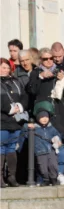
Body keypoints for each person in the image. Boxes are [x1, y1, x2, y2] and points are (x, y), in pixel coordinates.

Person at [1, 59, 25, 187]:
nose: (5, 70)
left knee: (11, 148)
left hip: (15, 121)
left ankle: (12, 176)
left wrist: (20, 106)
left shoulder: (16, 82)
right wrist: (8, 109)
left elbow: (24, 96)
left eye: (7, 67)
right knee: (1, 148)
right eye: (3, 67)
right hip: (2, 121)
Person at [25, 108, 63, 186]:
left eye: (46, 117)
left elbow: (57, 135)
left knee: (53, 165)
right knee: (43, 167)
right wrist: (27, 126)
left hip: (51, 150)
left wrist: (58, 141)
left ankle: (53, 179)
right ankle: (46, 179)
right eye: (42, 117)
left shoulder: (51, 128)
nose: (45, 119)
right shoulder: (35, 128)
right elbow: (25, 133)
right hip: (40, 151)